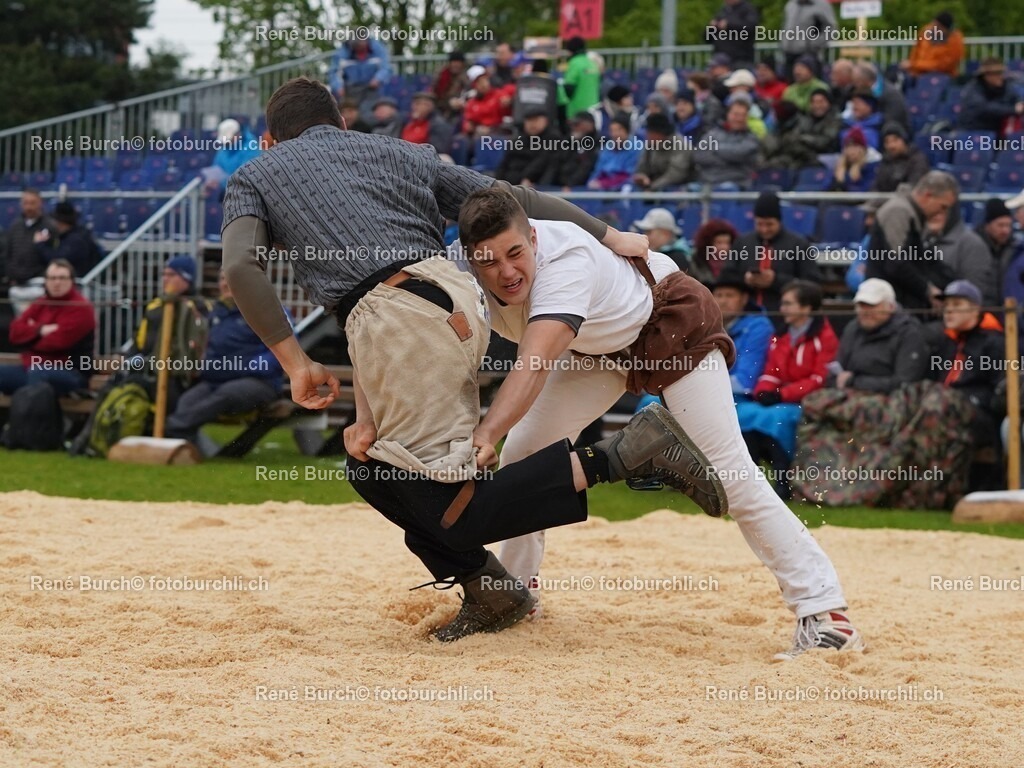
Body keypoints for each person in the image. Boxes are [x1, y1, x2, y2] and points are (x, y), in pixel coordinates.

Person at [219, 76, 666, 641]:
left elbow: (240, 268)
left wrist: (296, 364)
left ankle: (629, 454)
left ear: (268, 140)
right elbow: (513, 200)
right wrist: (607, 232)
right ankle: (491, 589)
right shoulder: (399, 150)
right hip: (442, 305)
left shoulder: (256, 172)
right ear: (342, 125)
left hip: (396, 315)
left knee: (455, 504)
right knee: (373, 467)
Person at [455, 187, 862, 660]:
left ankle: (826, 613)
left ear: (533, 237)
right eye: (489, 262)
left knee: (731, 474)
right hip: (598, 351)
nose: (506, 272)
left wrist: (483, 434)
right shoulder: (460, 269)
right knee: (523, 452)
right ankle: (515, 594)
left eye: (515, 254)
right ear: (468, 257)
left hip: (669, 322)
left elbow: (534, 363)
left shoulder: (564, 263)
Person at [165, 270, 284, 452]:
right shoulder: (216, 313)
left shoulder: (266, 310)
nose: (225, 283)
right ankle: (193, 451)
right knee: (188, 401)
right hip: (216, 380)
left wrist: (247, 367)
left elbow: (281, 352)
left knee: (226, 394)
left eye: (231, 278)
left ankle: (172, 428)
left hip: (258, 383)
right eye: (222, 279)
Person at [739, 280, 837, 499]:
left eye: (788, 304)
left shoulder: (826, 337)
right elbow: (771, 370)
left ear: (806, 307)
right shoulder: (781, 336)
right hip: (782, 399)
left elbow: (818, 378)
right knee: (746, 413)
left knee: (777, 418)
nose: (782, 309)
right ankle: (749, 483)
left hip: (806, 401)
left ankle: (782, 482)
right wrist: (763, 390)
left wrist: (783, 394)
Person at [865, 171, 958, 310]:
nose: (942, 213)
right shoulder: (898, 211)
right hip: (888, 306)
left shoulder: (913, 214)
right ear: (928, 196)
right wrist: (928, 290)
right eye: (942, 207)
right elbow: (895, 263)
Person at [0, 259, 95, 396]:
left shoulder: (81, 308)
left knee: (39, 374)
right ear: (46, 281)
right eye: (52, 278)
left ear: (71, 281)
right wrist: (41, 330)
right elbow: (14, 334)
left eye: (62, 278)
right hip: (32, 367)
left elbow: (56, 343)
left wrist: (29, 337)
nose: (57, 282)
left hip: (71, 372)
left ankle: (32, 417)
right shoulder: (41, 303)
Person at [129, 255, 212, 409]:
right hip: (146, 367)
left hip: (181, 374)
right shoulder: (156, 305)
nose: (165, 279)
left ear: (187, 279)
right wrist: (129, 360)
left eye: (172, 275)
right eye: (164, 274)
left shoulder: (199, 308)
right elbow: (139, 342)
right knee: (119, 385)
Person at [720, 191, 822, 313]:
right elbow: (726, 276)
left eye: (769, 224)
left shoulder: (799, 244)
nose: (764, 229)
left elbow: (812, 284)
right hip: (746, 313)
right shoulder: (742, 243)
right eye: (760, 224)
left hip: (782, 313)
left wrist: (775, 281)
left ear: (779, 221)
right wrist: (745, 279)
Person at [830, 278, 928, 393]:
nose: (865, 312)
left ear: (890, 307)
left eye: (872, 306)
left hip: (890, 399)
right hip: (849, 393)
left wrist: (855, 381)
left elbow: (905, 382)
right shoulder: (853, 328)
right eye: (861, 306)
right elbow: (835, 372)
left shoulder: (909, 333)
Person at [713, 275, 773, 396]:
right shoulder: (708, 326)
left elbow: (745, 382)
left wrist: (700, 387)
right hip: (715, 392)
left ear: (744, 299)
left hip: (743, 398)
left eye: (730, 295)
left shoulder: (758, 327)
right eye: (719, 295)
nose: (723, 301)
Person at [3, 189, 56, 314]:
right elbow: (8, 253)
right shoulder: (15, 226)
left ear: (40, 203)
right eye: (26, 203)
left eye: (32, 203)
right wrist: (10, 273)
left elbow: (53, 255)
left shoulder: (49, 226)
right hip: (17, 285)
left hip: (39, 285)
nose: (29, 207)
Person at [693, 98, 762, 187]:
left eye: (743, 115)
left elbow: (739, 154)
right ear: (728, 114)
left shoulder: (751, 139)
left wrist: (714, 148)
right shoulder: (712, 134)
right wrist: (730, 162)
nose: (739, 119)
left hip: (737, 185)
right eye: (736, 114)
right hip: (706, 183)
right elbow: (699, 156)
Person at [495, 108, 564, 186]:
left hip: (534, 185)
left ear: (545, 121)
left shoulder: (553, 139)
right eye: (529, 120)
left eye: (536, 120)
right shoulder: (518, 141)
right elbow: (504, 164)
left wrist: (527, 179)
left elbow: (544, 163)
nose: (532, 124)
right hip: (510, 184)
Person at [33, 202, 103, 277]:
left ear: (60, 222)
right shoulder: (77, 234)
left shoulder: (76, 240)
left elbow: (58, 259)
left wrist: (40, 244)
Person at [957, 58, 1024, 134]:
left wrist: (1020, 103)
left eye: (1001, 72)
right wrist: (1014, 109)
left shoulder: (1004, 85)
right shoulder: (973, 89)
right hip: (973, 131)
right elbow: (986, 108)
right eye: (995, 73)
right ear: (985, 75)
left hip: (995, 131)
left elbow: (1015, 97)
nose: (1000, 76)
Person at [327, 35, 391, 112]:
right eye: (356, 47)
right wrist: (338, 87)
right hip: (350, 89)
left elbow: (386, 68)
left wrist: (378, 79)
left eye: (361, 46)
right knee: (349, 111)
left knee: (369, 112)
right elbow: (334, 72)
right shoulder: (342, 53)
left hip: (372, 88)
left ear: (366, 41)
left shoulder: (378, 48)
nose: (359, 50)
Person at [631, 114, 692, 191]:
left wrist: (651, 187)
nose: (647, 135)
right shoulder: (650, 144)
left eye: (649, 133)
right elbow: (642, 167)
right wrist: (641, 176)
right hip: (653, 185)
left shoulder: (680, 145)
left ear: (659, 133)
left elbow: (675, 175)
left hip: (675, 187)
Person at [203, 119, 261, 197]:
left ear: (238, 134)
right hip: (226, 192)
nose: (227, 142)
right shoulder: (224, 147)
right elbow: (217, 166)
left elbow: (246, 175)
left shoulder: (251, 147)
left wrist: (221, 182)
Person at [974, 198, 1016, 303]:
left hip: (1009, 311)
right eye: (1000, 225)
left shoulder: (1015, 249)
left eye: (1008, 225)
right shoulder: (973, 246)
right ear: (987, 225)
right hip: (982, 310)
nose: (1005, 230)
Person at [780, 0, 835, 80]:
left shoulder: (822, 5)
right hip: (789, 55)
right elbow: (785, 26)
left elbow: (831, 29)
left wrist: (815, 44)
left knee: (811, 87)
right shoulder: (790, 5)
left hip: (809, 57)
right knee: (790, 87)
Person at [901, 12, 965, 79]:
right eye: (934, 24)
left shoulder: (955, 40)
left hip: (942, 77)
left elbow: (943, 66)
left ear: (947, 29)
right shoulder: (925, 32)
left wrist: (914, 65)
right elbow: (915, 52)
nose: (935, 28)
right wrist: (912, 67)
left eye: (938, 27)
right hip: (918, 74)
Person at [850, 62, 910, 133]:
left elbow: (892, 121)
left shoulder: (891, 95)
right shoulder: (862, 91)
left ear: (866, 80)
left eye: (857, 82)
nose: (855, 86)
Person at [587, 114, 641, 191]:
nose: (615, 134)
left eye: (619, 130)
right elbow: (598, 171)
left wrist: (605, 184)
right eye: (612, 131)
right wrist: (592, 182)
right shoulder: (608, 146)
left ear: (627, 130)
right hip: (602, 190)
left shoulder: (637, 147)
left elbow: (629, 175)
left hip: (624, 190)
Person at [872, 122, 930, 193]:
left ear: (904, 140)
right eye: (887, 142)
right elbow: (876, 187)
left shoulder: (917, 160)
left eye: (895, 140)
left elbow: (914, 188)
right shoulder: (885, 161)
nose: (891, 146)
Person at [462, 65, 515, 138]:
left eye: (485, 80)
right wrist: (471, 127)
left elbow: (508, 109)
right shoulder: (471, 103)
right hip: (479, 135)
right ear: (474, 85)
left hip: (498, 132)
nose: (483, 84)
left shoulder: (499, 94)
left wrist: (508, 103)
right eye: (479, 82)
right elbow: (468, 123)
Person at [707, 0, 760, 70]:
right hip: (721, 59)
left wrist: (729, 26)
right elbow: (707, 38)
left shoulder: (748, 9)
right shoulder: (723, 11)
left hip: (741, 59)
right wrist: (711, 28)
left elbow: (750, 28)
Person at [555, 111, 600, 189]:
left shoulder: (597, 144)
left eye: (577, 124)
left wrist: (570, 185)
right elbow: (556, 164)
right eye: (572, 124)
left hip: (582, 190)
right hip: (560, 187)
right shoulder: (567, 142)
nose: (574, 127)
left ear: (590, 125)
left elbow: (586, 168)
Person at [399, 92, 453, 157]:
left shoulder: (438, 124)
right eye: (415, 104)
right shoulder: (407, 121)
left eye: (419, 104)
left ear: (430, 106)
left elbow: (438, 149)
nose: (415, 107)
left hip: (424, 158)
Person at [830, 127, 879, 193]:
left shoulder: (874, 166)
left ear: (863, 149)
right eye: (848, 147)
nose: (851, 151)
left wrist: (856, 172)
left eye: (855, 146)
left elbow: (865, 190)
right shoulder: (841, 164)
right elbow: (824, 189)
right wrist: (837, 180)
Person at [562, 36, 601, 118]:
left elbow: (569, 87)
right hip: (593, 110)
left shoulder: (574, 63)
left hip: (577, 111)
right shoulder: (593, 63)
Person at [688, 218, 737, 285]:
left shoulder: (736, 261)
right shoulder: (697, 262)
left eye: (727, 243)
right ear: (708, 243)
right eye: (719, 243)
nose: (724, 247)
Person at [433, 51, 470, 121]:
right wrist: (448, 103)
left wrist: (461, 102)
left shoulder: (466, 77)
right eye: (453, 62)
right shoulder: (441, 76)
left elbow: (469, 94)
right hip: (440, 109)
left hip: (459, 111)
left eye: (458, 62)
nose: (455, 65)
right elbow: (434, 95)